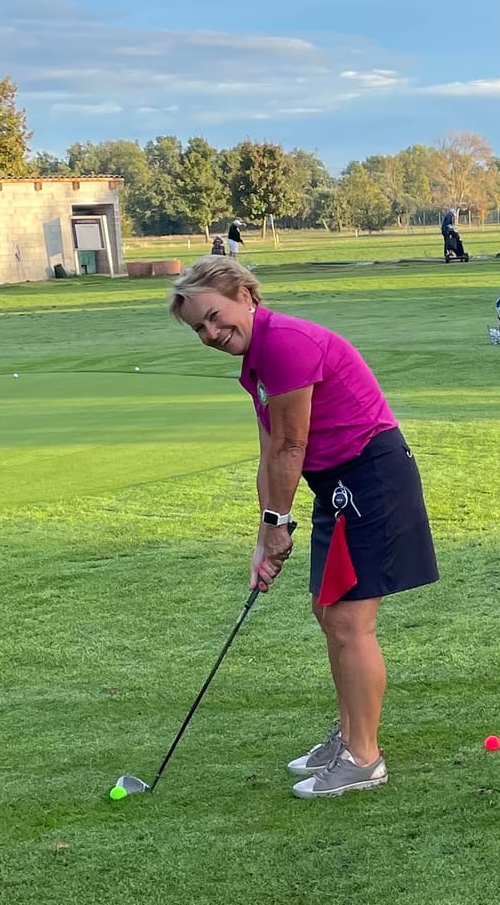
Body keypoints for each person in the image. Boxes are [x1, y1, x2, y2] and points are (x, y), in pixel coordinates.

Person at [169, 254, 439, 798]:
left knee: (348, 622)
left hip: (371, 478)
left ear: (246, 295)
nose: (212, 332)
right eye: (200, 327)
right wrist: (265, 534)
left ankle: (364, 759)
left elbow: (293, 444)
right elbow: (270, 449)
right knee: (328, 612)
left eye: (217, 316)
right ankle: (349, 735)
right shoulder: (256, 360)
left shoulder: (287, 343)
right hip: (337, 484)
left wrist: (279, 524)